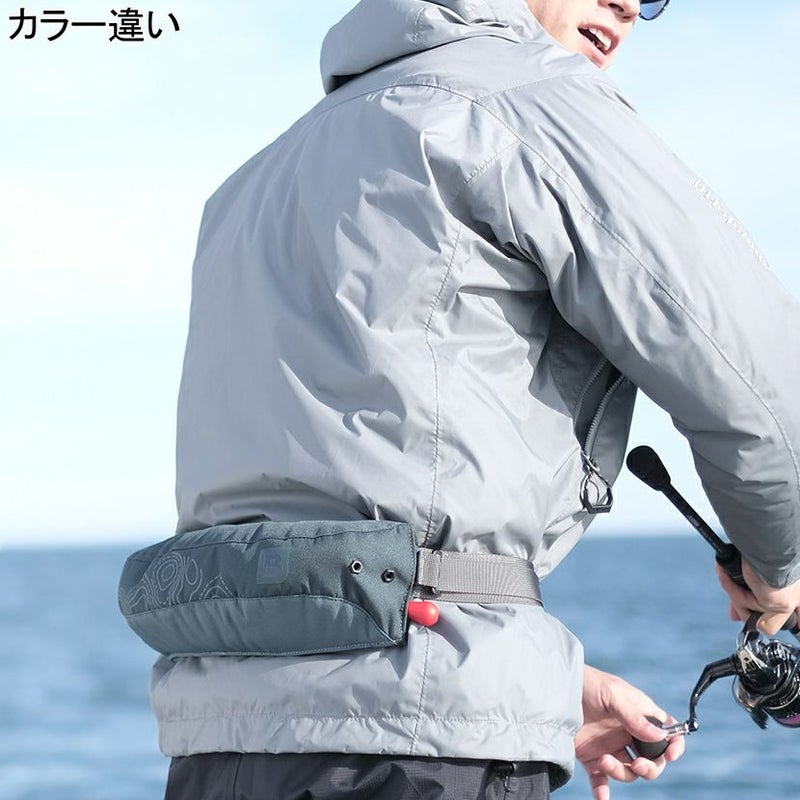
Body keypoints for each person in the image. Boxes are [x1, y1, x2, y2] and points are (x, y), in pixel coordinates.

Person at [151, 0, 800, 798]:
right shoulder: (534, 104)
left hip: (219, 747)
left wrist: (540, 696)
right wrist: (780, 570)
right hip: (420, 755)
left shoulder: (252, 184)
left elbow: (306, 520)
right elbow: (758, 380)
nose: (630, 5)